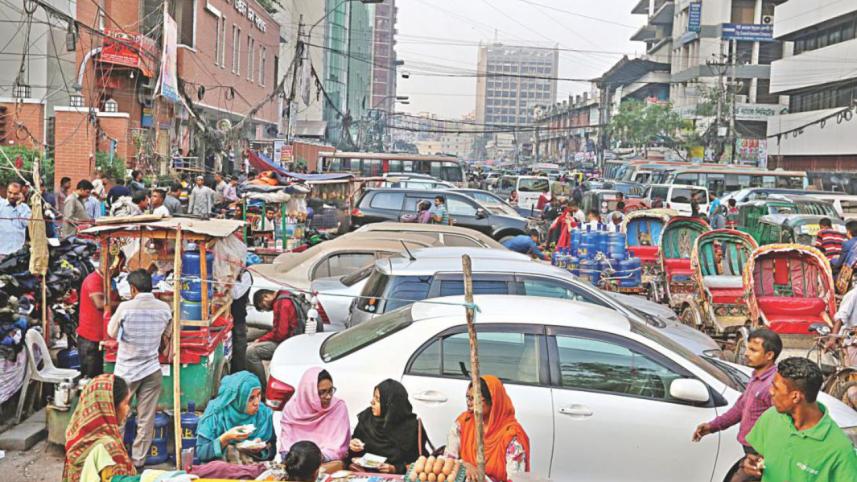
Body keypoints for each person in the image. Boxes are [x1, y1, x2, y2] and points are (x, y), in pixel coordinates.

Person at [740, 357, 857, 481]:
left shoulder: (840, 451)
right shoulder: (770, 417)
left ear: (795, 397)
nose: (771, 391)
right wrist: (751, 464)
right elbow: (762, 457)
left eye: (776, 388)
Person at [693, 328, 781, 480]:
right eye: (747, 348)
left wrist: (764, 456)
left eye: (753, 350)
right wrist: (712, 426)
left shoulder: (772, 385)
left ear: (769, 355)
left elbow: (781, 423)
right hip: (751, 449)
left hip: (760, 453)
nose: (746, 353)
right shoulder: (756, 377)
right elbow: (740, 407)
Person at [106, 269, 172, 471]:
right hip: (152, 369)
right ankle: (138, 461)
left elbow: (111, 332)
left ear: (133, 288)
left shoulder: (125, 307)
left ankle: (117, 460)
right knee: (146, 419)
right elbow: (168, 333)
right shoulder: (165, 308)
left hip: (126, 372)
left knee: (119, 416)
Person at [445, 376, 530, 482]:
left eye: (474, 399)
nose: (469, 403)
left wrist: (483, 478)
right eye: (468, 398)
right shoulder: (464, 423)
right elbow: (448, 461)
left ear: (493, 401)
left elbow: (516, 479)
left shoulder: (511, 436)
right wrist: (464, 465)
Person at [63, 374, 137, 482]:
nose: (128, 409)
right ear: (110, 407)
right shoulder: (108, 447)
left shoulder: (73, 436)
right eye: (126, 403)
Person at [348, 379, 429, 474]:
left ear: (390, 405)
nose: (372, 402)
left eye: (378, 400)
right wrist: (353, 446)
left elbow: (419, 463)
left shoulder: (411, 428)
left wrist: (395, 469)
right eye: (373, 397)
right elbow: (354, 455)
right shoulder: (367, 418)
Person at [278, 368, 350, 469]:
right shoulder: (291, 409)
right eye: (322, 392)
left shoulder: (338, 407)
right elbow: (286, 447)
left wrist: (314, 459)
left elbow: (338, 447)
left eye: (330, 390)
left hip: (325, 462)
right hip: (296, 463)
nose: (328, 396)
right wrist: (300, 460)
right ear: (309, 392)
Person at [196, 371, 275, 464]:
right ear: (237, 398)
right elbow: (201, 453)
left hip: (252, 468)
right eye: (251, 398)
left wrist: (260, 450)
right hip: (222, 469)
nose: (257, 403)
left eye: (259, 395)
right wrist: (226, 438)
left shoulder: (264, 414)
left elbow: (275, 450)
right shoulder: (216, 414)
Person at [77, 252, 124, 378]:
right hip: (91, 339)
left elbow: (116, 300)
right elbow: (100, 304)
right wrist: (124, 305)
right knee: (91, 378)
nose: (121, 270)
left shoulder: (110, 281)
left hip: (103, 336)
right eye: (120, 266)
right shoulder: (93, 280)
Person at [248, 290, 301, 394]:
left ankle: (262, 391)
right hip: (296, 339)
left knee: (250, 353)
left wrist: (261, 339)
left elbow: (280, 334)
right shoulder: (287, 295)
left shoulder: (280, 303)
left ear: (266, 297)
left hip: (289, 343)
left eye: (264, 306)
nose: (267, 309)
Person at [0, 182, 31, 260]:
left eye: (15, 194)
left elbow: (26, 223)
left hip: (18, 254)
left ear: (20, 194)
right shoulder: (1, 204)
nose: (12, 196)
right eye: (10, 192)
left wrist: (19, 206)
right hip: (2, 253)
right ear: (6, 192)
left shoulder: (25, 208)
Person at [230, 268, 252, 374]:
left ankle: (239, 374)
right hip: (225, 320)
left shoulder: (246, 275)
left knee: (239, 349)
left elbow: (235, 294)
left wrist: (229, 280)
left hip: (238, 319)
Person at [829, 285, 857, 367]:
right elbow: (841, 317)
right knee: (853, 370)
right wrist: (833, 339)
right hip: (852, 341)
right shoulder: (853, 294)